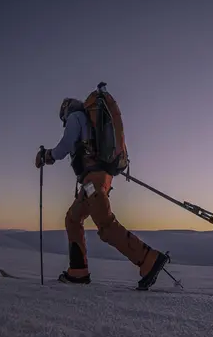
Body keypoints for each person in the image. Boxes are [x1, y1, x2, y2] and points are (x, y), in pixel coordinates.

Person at [34, 92, 169, 290]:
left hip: (93, 181)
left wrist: (47, 155)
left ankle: (149, 258)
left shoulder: (76, 117)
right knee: (73, 218)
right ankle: (78, 272)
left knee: (106, 225)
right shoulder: (89, 121)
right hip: (94, 182)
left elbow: (65, 146)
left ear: (65, 111)